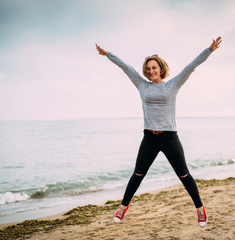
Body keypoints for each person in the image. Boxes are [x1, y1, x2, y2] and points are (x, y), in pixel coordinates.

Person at [95, 37, 222, 227]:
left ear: (161, 68)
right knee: (138, 174)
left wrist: (209, 50)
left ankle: (200, 209)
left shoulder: (173, 84)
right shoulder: (142, 85)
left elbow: (191, 67)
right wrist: (108, 54)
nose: (150, 71)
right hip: (149, 138)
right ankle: (122, 207)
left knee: (184, 175)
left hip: (170, 137)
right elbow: (126, 67)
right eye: (148, 69)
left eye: (154, 68)